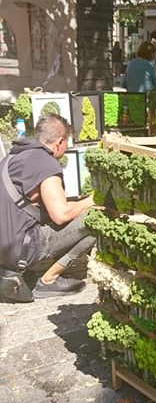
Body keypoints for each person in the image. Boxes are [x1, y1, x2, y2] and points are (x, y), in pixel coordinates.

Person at [0, 114, 96, 302]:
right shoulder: (45, 162)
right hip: (21, 251)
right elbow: (61, 214)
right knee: (97, 218)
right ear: (60, 142)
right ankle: (49, 280)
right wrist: (92, 200)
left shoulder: (13, 157)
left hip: (5, 247)